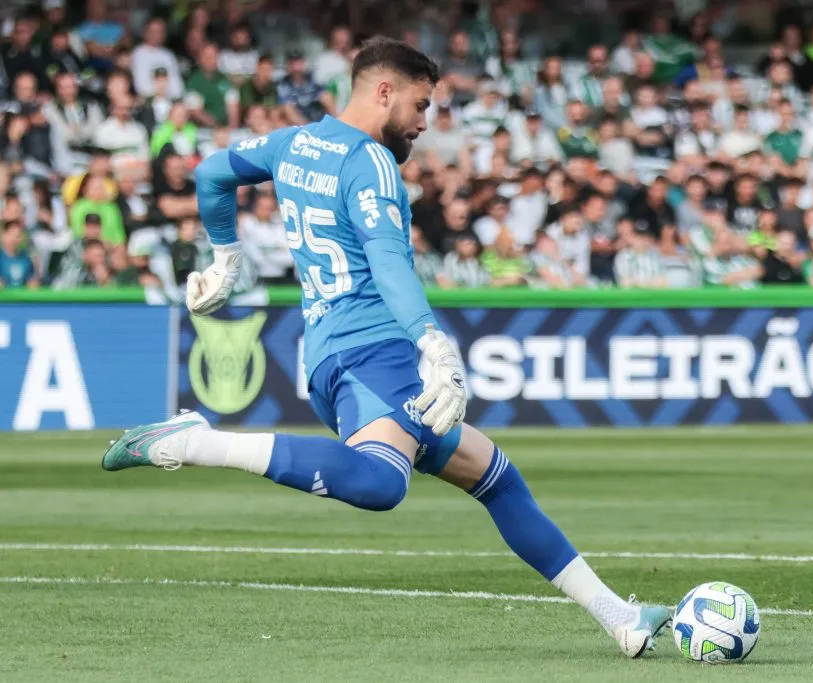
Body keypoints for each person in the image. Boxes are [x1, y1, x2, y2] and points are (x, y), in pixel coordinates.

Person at [99, 37, 670, 658]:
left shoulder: (294, 144)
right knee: (379, 483)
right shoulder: (369, 161)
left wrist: (225, 257)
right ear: (384, 91)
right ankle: (192, 442)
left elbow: (212, 172)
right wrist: (435, 343)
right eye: (420, 106)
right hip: (371, 351)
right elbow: (389, 261)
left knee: (497, 480)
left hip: (331, 355)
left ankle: (618, 616)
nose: (424, 123)